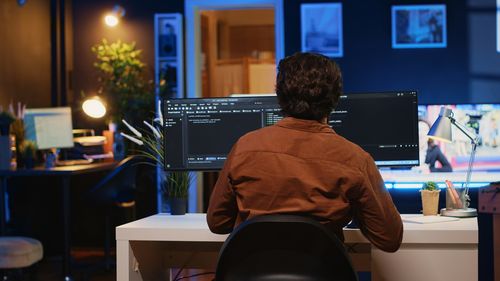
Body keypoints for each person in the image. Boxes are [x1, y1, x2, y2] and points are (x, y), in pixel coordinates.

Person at [207, 52, 403, 253]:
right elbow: (389, 238)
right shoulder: (355, 159)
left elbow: (218, 222)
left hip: (249, 273)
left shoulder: (244, 147)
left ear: (279, 95)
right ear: (335, 99)